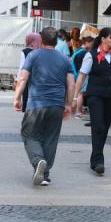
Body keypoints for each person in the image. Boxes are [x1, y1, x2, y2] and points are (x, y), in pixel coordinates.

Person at [13, 26, 75, 186]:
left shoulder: (33, 55)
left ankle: (38, 160)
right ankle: (44, 175)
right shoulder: (65, 59)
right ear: (56, 41)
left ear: (42, 40)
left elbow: (23, 78)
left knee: (29, 134)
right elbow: (71, 84)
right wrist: (68, 104)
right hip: (57, 105)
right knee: (50, 138)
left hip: (36, 103)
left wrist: (17, 98)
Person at [74, 27, 111, 176]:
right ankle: (98, 161)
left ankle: (96, 157)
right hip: (95, 95)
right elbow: (81, 76)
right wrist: (75, 96)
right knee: (98, 125)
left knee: (104, 127)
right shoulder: (91, 55)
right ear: (104, 39)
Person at [17, 32, 41, 112]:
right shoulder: (41, 51)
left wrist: (18, 80)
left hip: (27, 78)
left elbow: (22, 67)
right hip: (39, 78)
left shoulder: (24, 51)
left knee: (26, 97)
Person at [72, 35, 94, 118]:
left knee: (78, 92)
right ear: (87, 43)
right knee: (80, 94)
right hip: (80, 74)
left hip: (75, 74)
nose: (92, 46)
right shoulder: (84, 53)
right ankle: (78, 111)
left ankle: (77, 110)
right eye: (91, 43)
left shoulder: (77, 50)